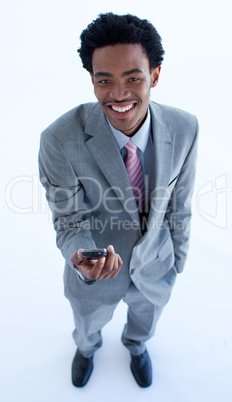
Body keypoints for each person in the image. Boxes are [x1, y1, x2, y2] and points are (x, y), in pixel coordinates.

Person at [39, 12, 198, 388]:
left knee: (146, 323)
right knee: (87, 325)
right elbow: (69, 221)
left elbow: (181, 203)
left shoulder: (185, 127)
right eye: (104, 80)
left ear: (155, 75)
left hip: (156, 266)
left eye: (134, 78)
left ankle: (136, 346)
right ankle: (87, 349)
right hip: (94, 276)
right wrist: (82, 259)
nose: (119, 94)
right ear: (92, 80)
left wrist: (177, 260)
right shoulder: (59, 139)